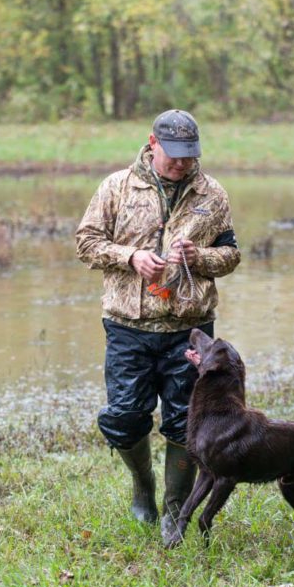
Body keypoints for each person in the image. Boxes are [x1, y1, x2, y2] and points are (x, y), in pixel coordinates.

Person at [76, 109, 240, 544]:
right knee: (126, 417)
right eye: (174, 156)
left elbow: (231, 255)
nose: (182, 164)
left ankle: (174, 509)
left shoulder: (213, 194)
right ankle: (143, 487)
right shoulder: (116, 187)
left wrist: (199, 257)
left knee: (187, 422)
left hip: (190, 328)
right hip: (128, 324)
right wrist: (130, 257)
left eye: (190, 156)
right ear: (153, 143)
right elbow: (86, 243)